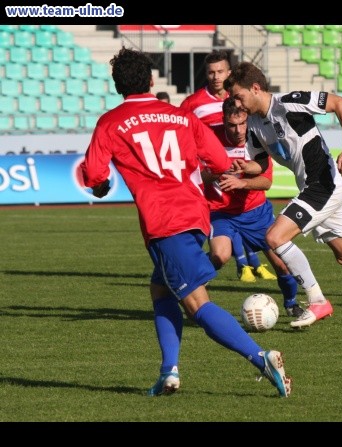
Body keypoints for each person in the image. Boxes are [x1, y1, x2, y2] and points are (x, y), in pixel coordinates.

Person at [80, 47, 292, 398]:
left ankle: (262, 357)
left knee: (197, 304)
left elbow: (95, 177)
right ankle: (169, 371)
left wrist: (102, 184)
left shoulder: (111, 122)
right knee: (161, 290)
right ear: (151, 81)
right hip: (195, 215)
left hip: (165, 221)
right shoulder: (181, 117)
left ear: (118, 85)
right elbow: (219, 160)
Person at [225, 62, 342, 329]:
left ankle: (317, 301)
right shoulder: (255, 126)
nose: (236, 103)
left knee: (274, 237)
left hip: (323, 184)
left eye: (238, 96)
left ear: (255, 88)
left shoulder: (289, 103)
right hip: (312, 188)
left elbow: (341, 104)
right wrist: (248, 169)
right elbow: (262, 164)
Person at [202, 97, 304, 318]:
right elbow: (198, 176)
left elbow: (267, 182)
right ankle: (194, 282)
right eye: (232, 124)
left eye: (242, 123)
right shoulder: (209, 138)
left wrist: (242, 182)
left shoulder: (257, 137)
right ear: (223, 120)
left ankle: (291, 304)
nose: (238, 130)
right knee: (219, 256)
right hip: (221, 213)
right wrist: (217, 172)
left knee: (283, 264)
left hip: (256, 213)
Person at [181, 49, 276, 283]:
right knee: (220, 250)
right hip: (217, 190)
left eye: (220, 71)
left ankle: (251, 265)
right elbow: (183, 138)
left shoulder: (243, 102)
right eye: (211, 72)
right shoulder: (192, 104)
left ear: (229, 72)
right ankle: (191, 280)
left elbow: (264, 177)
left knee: (279, 255)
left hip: (247, 188)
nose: (216, 77)